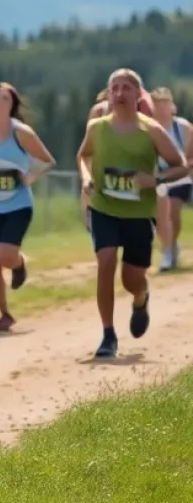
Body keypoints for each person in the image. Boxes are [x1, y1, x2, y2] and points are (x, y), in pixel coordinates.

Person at [78, 68, 186, 359]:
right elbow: (84, 155)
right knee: (105, 260)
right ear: (109, 94)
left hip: (139, 212)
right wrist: (87, 178)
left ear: (139, 95)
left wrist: (156, 180)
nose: (119, 93)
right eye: (114, 88)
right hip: (104, 206)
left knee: (131, 278)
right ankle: (108, 334)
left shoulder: (151, 130)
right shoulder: (97, 127)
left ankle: (141, 297)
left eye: (126, 88)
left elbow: (181, 165)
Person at [0, 83, 55, 331]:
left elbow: (47, 160)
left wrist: (30, 177)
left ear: (13, 104)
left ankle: (18, 264)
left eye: (6, 99)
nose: (0, 103)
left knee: (5, 256)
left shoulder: (21, 133)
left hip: (17, 205)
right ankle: (4, 313)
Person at [150, 87, 192, 271]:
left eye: (164, 104)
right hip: (157, 177)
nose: (160, 110)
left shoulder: (182, 128)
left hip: (182, 175)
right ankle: (169, 248)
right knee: (159, 216)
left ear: (172, 107)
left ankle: (169, 250)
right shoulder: (147, 129)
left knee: (173, 208)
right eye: (156, 105)